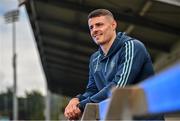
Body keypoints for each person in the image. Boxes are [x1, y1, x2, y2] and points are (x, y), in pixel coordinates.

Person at [64, 9, 163, 120]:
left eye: (99, 25)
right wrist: (76, 100)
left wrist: (81, 106)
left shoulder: (132, 47)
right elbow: (92, 90)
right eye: (91, 27)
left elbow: (118, 87)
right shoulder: (94, 59)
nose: (94, 30)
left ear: (113, 25)